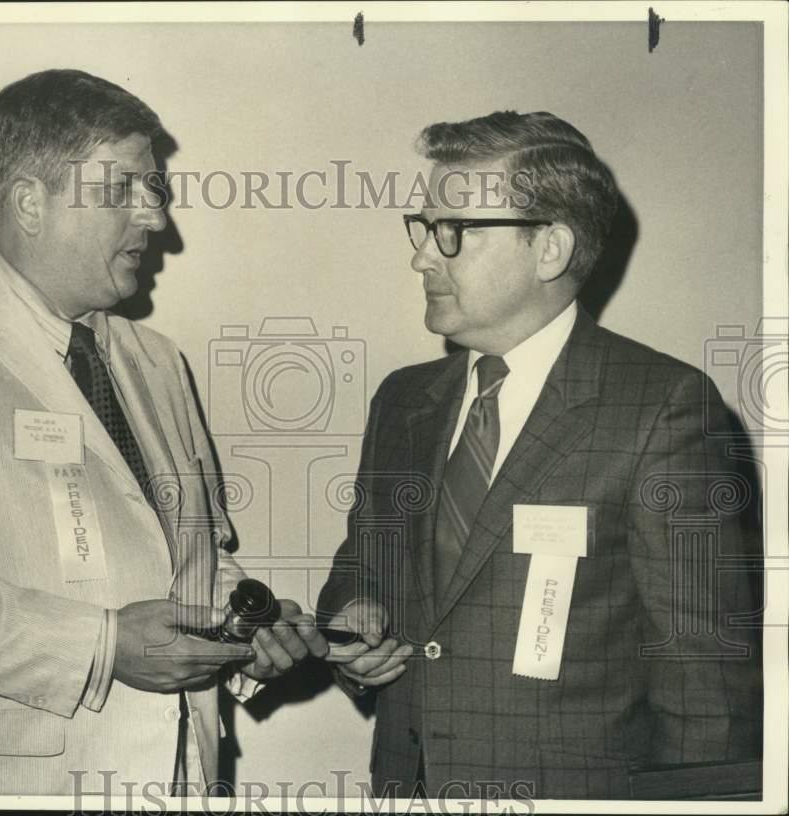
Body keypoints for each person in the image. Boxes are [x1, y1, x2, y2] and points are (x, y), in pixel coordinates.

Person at [0, 68, 327, 795]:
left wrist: (245, 636)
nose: (155, 219)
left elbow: (198, 563)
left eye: (154, 191)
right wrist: (103, 644)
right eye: (124, 190)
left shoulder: (157, 362)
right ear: (30, 201)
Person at [318, 111, 762, 800]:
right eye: (425, 226)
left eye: (454, 232)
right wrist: (355, 621)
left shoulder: (660, 409)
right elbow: (360, 570)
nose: (423, 256)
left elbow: (703, 683)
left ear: (550, 248)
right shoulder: (403, 403)